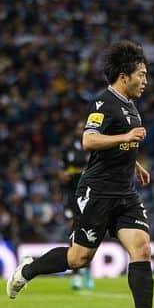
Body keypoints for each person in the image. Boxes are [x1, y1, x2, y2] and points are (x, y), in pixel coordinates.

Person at [6, 40, 154, 308]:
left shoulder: (131, 107)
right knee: (79, 259)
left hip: (125, 193)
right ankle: (28, 271)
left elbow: (121, 145)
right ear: (124, 76)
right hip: (97, 192)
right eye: (141, 74)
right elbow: (89, 140)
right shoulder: (103, 103)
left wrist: (136, 166)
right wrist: (127, 135)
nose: (145, 81)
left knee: (142, 249)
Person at [60, 123, 94, 291]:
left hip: (90, 195)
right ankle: (77, 274)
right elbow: (62, 173)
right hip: (73, 197)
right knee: (73, 231)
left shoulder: (94, 145)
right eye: (78, 128)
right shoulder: (68, 150)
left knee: (91, 233)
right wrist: (65, 174)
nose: (80, 130)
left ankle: (87, 271)